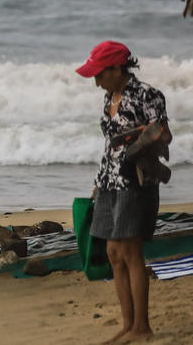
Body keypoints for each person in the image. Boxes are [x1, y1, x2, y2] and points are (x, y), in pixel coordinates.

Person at [76, 40, 171, 342]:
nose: (96, 80)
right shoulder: (109, 97)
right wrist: (98, 181)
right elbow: (109, 144)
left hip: (135, 180)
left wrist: (139, 140)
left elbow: (164, 134)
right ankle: (128, 325)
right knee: (113, 252)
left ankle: (142, 328)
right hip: (109, 180)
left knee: (131, 252)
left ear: (118, 67)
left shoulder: (147, 94)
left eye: (99, 73)